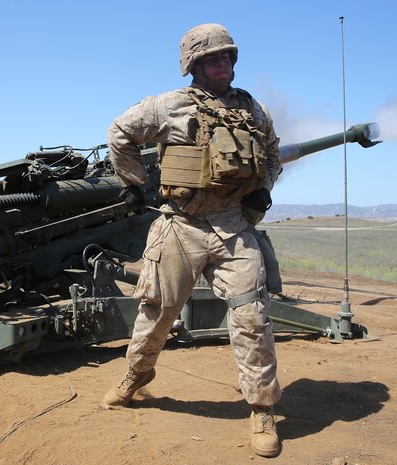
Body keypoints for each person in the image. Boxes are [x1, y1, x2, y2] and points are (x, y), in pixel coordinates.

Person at [102, 23, 282, 458]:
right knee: (156, 312)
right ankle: (137, 376)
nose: (223, 63)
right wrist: (133, 183)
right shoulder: (170, 105)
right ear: (194, 65)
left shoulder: (253, 110)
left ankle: (261, 408)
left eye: (228, 56)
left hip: (233, 228)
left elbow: (273, 153)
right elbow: (120, 133)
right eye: (213, 58)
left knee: (252, 316)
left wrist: (264, 188)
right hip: (179, 225)